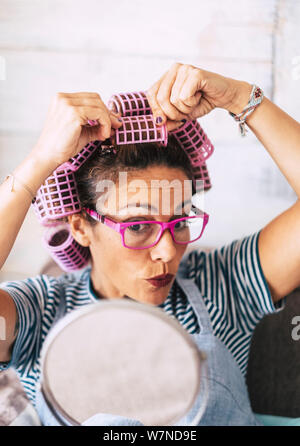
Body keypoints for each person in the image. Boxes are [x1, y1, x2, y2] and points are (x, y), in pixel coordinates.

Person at [0, 63, 299, 426]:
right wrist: (40, 161)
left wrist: (240, 97)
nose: (168, 251)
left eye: (181, 221)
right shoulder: (42, 313)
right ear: (80, 227)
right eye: (138, 225)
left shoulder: (221, 287)